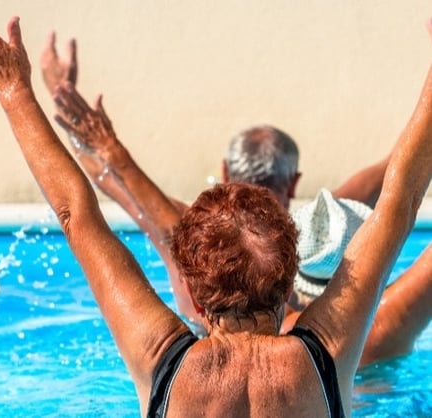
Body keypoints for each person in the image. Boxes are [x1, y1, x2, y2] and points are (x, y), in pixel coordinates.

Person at [0, 3, 432, 416]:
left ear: (192, 293)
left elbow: (74, 212)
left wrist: (14, 91)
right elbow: (400, 200)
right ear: (288, 283)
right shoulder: (326, 356)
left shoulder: (163, 360)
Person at [41, 36, 432, 366]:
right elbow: (399, 188)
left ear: (225, 173)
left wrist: (73, 113)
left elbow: (96, 193)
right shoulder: (356, 326)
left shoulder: (195, 244)